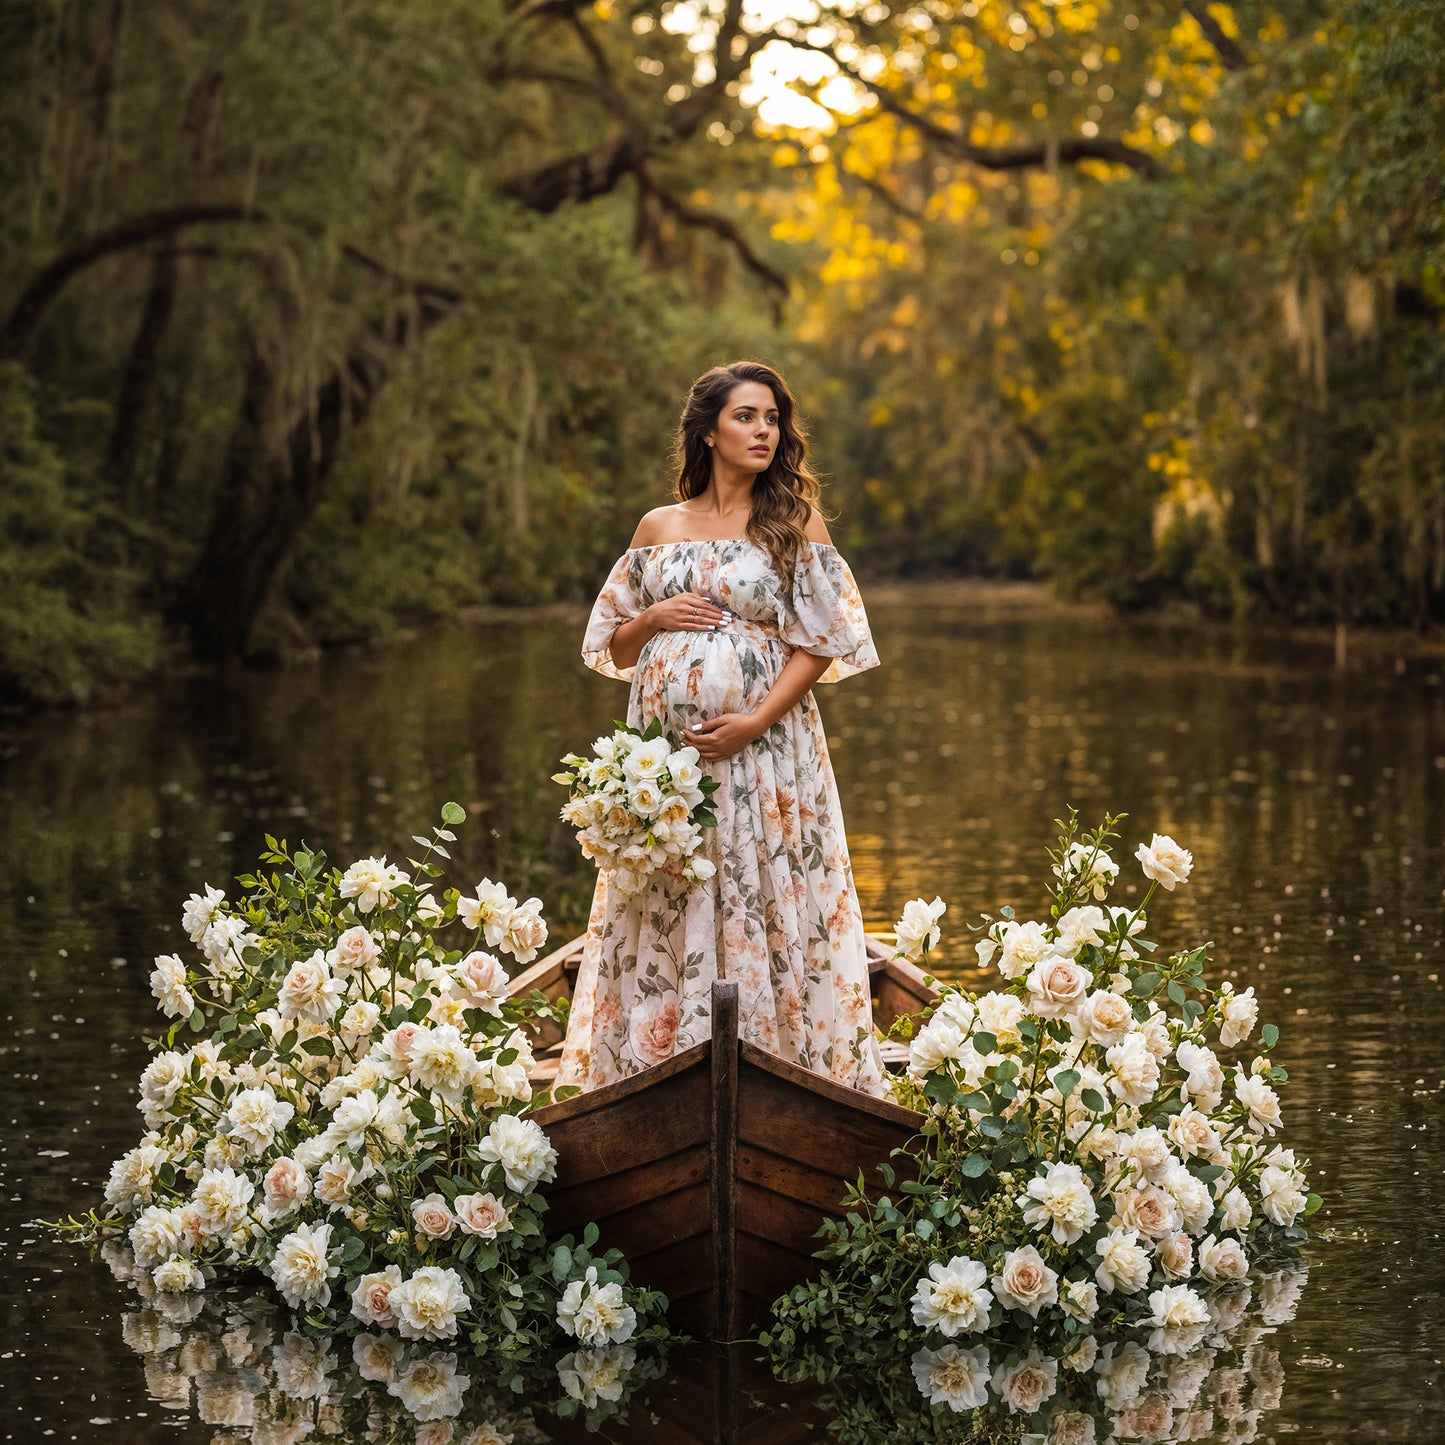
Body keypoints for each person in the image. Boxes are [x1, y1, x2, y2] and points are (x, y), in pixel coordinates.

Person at [557, 360, 885, 1096]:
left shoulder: (792, 521)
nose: (763, 430)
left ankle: (776, 1062)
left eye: (771, 418)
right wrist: (651, 618)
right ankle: (654, 1065)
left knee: (754, 882)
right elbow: (613, 647)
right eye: (746, 417)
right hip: (664, 764)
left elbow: (822, 640)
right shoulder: (657, 528)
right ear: (708, 432)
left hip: (764, 750)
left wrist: (755, 720)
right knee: (670, 885)